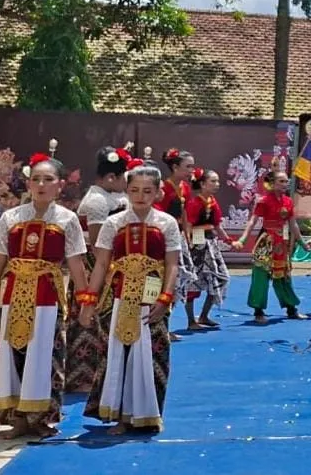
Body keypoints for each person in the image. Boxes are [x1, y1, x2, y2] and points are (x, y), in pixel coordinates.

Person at [0, 153, 90, 440]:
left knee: (44, 356)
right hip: (13, 294)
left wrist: (85, 301)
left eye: (48, 179)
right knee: (12, 354)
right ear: (28, 184)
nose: (41, 184)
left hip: (47, 296)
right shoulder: (11, 217)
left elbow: (76, 263)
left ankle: (41, 418)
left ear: (60, 185)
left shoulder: (67, 220)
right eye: (36, 179)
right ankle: (17, 418)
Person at [81, 161, 181, 435]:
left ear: (158, 193)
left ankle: (151, 413)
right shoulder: (114, 223)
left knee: (154, 355)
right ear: (126, 191)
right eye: (134, 190)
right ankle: (122, 416)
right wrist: (89, 300)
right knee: (119, 353)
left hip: (153, 295)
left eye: (147, 191)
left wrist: (165, 298)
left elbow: (173, 264)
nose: (140, 196)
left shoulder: (167, 223)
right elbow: (101, 264)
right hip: (120, 296)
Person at [67, 146, 129, 394]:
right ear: (111, 178)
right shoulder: (96, 202)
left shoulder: (113, 197)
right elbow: (97, 244)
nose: (127, 183)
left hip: (109, 266)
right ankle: (83, 376)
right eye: (125, 178)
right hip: (94, 269)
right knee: (89, 319)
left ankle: (104, 370)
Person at [232, 169, 309, 323]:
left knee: (284, 276)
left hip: (281, 242)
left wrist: (302, 242)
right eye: (281, 181)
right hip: (266, 241)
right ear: (271, 184)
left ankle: (291, 309)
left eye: (286, 181)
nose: (285, 184)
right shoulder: (263, 201)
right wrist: (242, 239)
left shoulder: (288, 201)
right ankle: (258, 311)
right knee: (261, 276)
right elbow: (252, 221)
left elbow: (293, 224)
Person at [182, 168, 231, 330]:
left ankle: (203, 315)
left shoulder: (213, 202)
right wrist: (189, 246)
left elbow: (217, 225)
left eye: (217, 181)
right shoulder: (195, 203)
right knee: (193, 283)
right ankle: (191, 321)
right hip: (196, 246)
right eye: (213, 181)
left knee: (221, 278)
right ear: (202, 184)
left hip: (210, 245)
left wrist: (229, 241)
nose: (217, 184)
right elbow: (188, 225)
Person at [158, 149, 194, 342]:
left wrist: (187, 237)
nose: (191, 171)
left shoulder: (186, 188)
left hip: (179, 238)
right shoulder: (163, 188)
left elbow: (185, 214)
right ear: (175, 167)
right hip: (164, 240)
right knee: (165, 281)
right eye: (188, 167)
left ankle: (167, 324)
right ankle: (162, 326)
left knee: (178, 282)